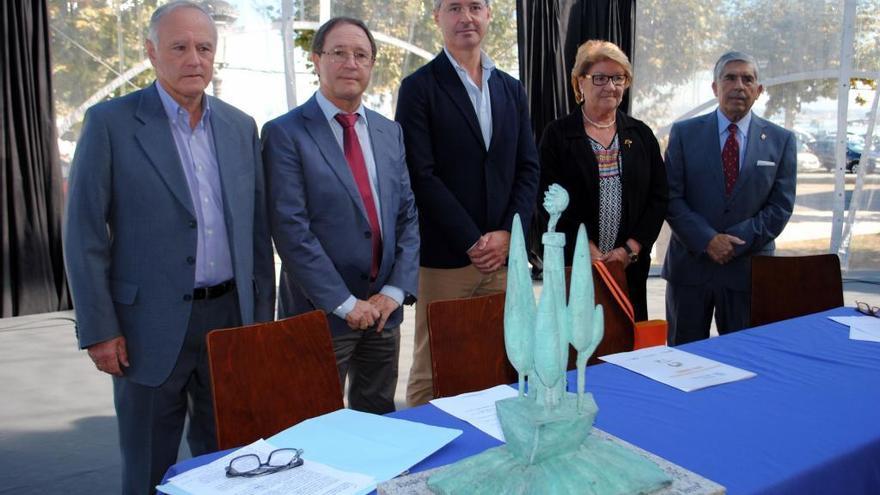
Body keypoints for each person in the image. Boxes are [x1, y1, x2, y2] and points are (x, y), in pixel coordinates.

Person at [62, 2, 275, 493]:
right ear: (151, 53)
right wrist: (98, 328)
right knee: (149, 466)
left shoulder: (241, 127)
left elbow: (257, 235)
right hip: (145, 329)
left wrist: (259, 320)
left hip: (229, 321)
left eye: (204, 48)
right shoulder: (109, 124)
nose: (193, 59)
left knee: (231, 460)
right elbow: (84, 236)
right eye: (179, 47)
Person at [262, 17, 419, 415]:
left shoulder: (389, 132)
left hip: (384, 313)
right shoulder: (285, 133)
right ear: (316, 60)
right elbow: (291, 230)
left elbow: (407, 218)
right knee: (311, 425)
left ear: (371, 65)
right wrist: (346, 304)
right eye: (339, 53)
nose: (351, 63)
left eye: (361, 55)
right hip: (320, 313)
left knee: (378, 420)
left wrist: (394, 293)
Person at [396, 0, 540, 406]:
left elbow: (528, 168)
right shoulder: (419, 88)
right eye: (454, 7)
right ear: (437, 17)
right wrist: (474, 240)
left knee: (504, 361)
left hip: (505, 259)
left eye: (475, 6)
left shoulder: (511, 89)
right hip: (447, 260)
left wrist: (509, 234)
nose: (466, 17)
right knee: (432, 370)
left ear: (489, 15)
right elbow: (420, 175)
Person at [663, 50, 796, 345]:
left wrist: (734, 241)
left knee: (745, 361)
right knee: (683, 362)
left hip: (747, 272)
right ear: (715, 87)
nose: (739, 85)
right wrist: (708, 240)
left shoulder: (781, 140)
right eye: (730, 77)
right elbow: (670, 197)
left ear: (758, 90)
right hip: (691, 270)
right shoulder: (684, 133)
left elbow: (780, 206)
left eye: (747, 79)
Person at [538, 40, 667, 321]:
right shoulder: (558, 135)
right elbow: (547, 199)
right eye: (599, 78)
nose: (610, 86)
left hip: (628, 269)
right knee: (578, 349)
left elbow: (659, 198)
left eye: (618, 78)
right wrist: (584, 247)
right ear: (579, 83)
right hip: (575, 266)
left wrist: (630, 250)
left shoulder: (641, 134)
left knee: (627, 347)